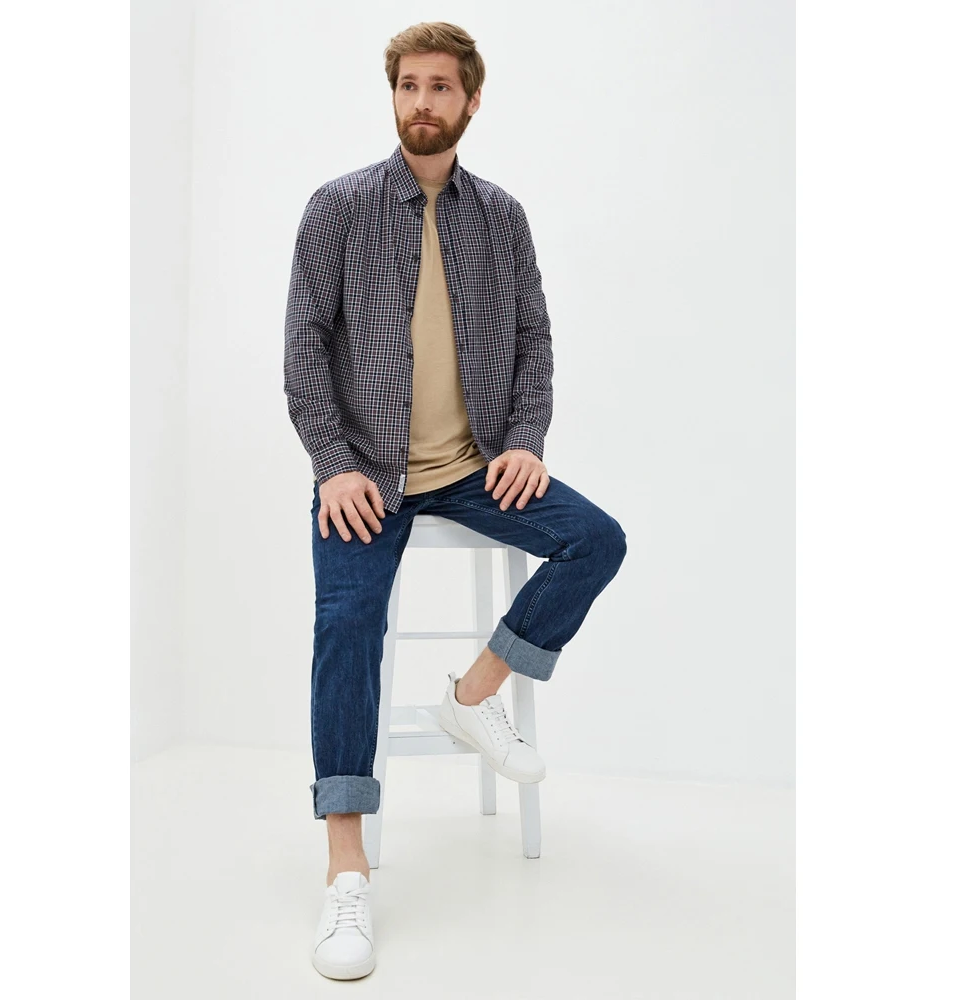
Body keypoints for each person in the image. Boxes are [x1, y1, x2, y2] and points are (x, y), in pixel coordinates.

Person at [284, 21, 627, 981]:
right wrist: (332, 464)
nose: (422, 102)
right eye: (409, 85)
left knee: (597, 539)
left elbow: (534, 341)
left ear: (471, 100)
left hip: (477, 466)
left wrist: (524, 442)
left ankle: (473, 697)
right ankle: (346, 869)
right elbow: (303, 345)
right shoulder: (338, 208)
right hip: (366, 473)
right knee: (346, 623)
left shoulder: (502, 218)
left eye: (441, 87)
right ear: (393, 95)